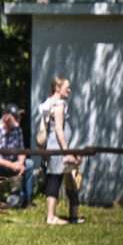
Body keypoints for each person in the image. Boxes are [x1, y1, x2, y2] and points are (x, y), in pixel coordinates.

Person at [39, 77, 82, 225]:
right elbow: (58, 128)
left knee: (54, 179)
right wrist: (67, 152)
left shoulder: (46, 104)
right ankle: (51, 217)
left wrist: (43, 150)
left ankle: (52, 215)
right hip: (57, 148)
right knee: (55, 180)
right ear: (58, 88)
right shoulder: (59, 104)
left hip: (50, 147)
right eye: (66, 87)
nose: (69, 90)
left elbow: (42, 130)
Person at [0, 103, 34, 208]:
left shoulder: (18, 130)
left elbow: (21, 151)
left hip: (13, 164)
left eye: (20, 116)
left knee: (29, 164)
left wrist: (20, 163)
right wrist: (11, 165)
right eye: (16, 116)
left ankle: (26, 201)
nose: (19, 118)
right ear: (6, 117)